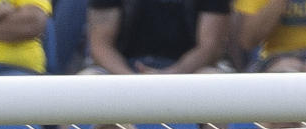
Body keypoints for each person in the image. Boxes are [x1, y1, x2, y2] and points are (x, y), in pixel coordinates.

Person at [86, 0, 226, 74]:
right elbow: (100, 45)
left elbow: (210, 46)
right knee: (87, 82)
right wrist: (130, 79)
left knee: (219, 84)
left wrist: (171, 75)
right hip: (121, 70)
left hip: (189, 72)